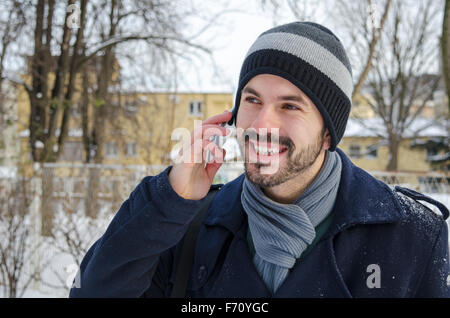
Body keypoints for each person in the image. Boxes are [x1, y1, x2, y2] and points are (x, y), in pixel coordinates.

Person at [69, 22, 449, 298]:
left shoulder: (412, 237)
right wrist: (170, 198)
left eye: (290, 105)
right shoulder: (189, 226)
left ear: (329, 133)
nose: (262, 124)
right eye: (252, 100)